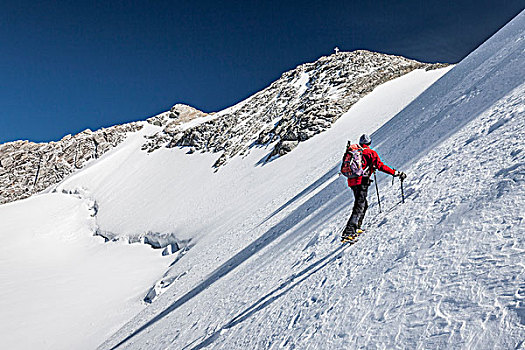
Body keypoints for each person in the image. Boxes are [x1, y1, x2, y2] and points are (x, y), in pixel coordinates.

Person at [342, 134, 406, 239]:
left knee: (363, 204)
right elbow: (381, 166)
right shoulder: (370, 153)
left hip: (352, 182)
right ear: (369, 143)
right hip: (361, 181)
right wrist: (395, 173)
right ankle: (349, 231)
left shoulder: (354, 152)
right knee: (359, 205)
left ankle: (357, 226)